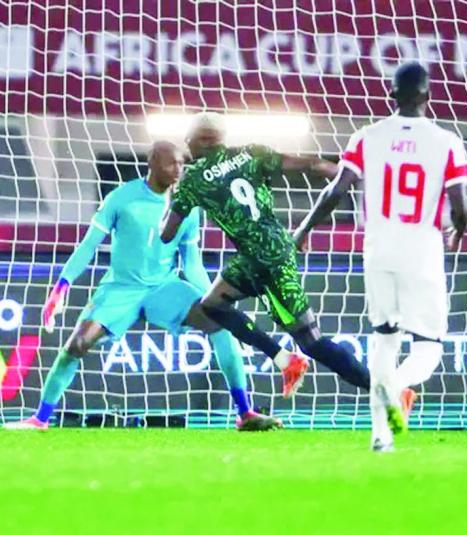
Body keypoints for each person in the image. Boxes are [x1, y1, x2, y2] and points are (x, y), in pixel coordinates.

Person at [4, 142, 287, 431]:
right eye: (171, 163)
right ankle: (40, 418)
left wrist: (214, 300)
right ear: (152, 162)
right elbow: (88, 245)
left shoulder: (188, 208)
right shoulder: (121, 198)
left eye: (182, 164)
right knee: (76, 345)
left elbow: (192, 264)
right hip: (121, 288)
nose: (178, 170)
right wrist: (62, 286)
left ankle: (245, 413)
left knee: (221, 325)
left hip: (163, 288)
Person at [292, 61, 467, 452]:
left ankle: (380, 436)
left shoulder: (366, 137)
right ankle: (397, 388)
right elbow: (460, 205)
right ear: (428, 95)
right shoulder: (446, 142)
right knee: (428, 348)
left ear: (392, 95)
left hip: (378, 250)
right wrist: (458, 228)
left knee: (384, 342)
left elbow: (336, 191)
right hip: (422, 251)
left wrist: (303, 228)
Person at [159, 113, 372, 392]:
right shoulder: (252, 153)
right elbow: (312, 165)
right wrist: (346, 176)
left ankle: (385, 389)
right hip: (272, 250)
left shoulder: (193, 180)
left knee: (311, 342)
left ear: (196, 140)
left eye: (188, 140)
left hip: (263, 261)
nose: (187, 146)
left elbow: (166, 234)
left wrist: (170, 197)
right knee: (212, 304)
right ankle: (286, 361)